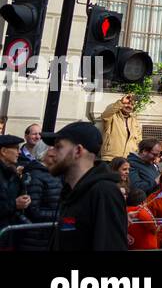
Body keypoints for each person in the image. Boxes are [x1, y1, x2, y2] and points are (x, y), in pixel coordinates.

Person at [42, 122, 128, 250]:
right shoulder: (71, 192)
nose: (51, 153)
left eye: (58, 147)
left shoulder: (104, 192)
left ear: (78, 151)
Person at [98, 95, 142, 163]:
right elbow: (105, 116)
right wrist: (121, 102)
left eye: (132, 104)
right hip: (111, 159)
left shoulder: (135, 121)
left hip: (128, 160)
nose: (129, 106)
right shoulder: (112, 116)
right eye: (127, 103)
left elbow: (139, 142)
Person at [0, 133, 29, 231]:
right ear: (3, 151)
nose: (19, 152)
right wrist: (14, 204)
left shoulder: (13, 173)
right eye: (16, 148)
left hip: (9, 232)